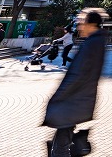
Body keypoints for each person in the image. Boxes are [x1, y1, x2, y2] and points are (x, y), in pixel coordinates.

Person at [43, 8, 107, 157]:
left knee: (60, 149)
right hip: (76, 103)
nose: (79, 27)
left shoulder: (92, 44)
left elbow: (76, 75)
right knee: (60, 146)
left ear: (90, 24)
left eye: (81, 23)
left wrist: (57, 99)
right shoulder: (96, 42)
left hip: (71, 103)